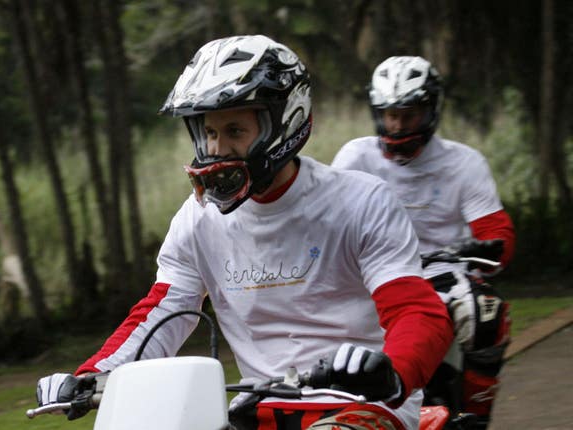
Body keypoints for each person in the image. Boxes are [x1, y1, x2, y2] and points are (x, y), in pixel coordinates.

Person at [36, 37, 453, 430]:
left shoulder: (361, 202)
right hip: (259, 409)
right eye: (209, 132)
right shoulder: (197, 218)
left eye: (234, 131)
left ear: (285, 122)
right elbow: (162, 310)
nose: (216, 149)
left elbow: (417, 313)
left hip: (363, 404)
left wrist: (392, 372)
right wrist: (93, 375)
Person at [331, 56, 515, 429]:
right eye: (389, 115)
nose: (397, 125)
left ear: (431, 110)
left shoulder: (465, 163)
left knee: (486, 314)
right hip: (373, 277)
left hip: (444, 274)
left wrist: (487, 247)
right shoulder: (356, 156)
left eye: (408, 115)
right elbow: (329, 223)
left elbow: (498, 233)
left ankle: (477, 415)